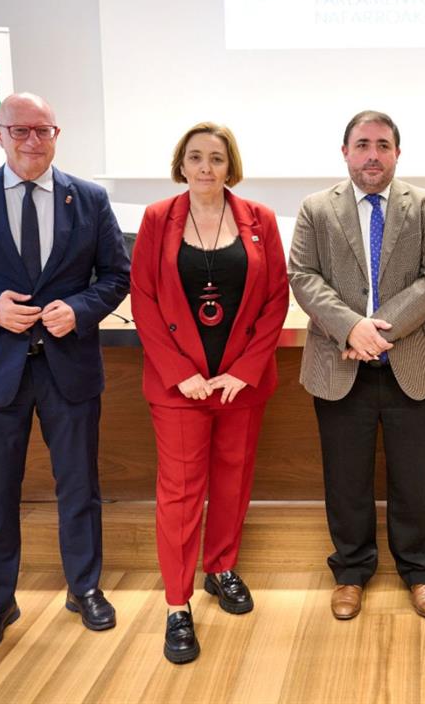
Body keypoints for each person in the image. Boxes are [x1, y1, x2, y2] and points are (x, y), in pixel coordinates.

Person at [0, 92, 131, 655]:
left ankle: (84, 587)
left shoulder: (88, 198)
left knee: (80, 488)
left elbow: (116, 274)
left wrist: (81, 310)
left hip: (69, 368)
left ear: (56, 134)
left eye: (43, 129)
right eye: (21, 130)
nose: (33, 140)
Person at [288, 110, 425, 621]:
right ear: (345, 152)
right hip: (339, 365)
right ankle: (351, 572)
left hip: (414, 362)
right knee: (345, 479)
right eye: (362, 144)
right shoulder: (316, 209)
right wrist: (351, 328)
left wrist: (376, 329)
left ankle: (420, 572)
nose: (372, 154)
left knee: (417, 476)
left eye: (383, 145)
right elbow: (303, 275)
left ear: (397, 153)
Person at [129, 122, 289, 664]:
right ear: (181, 164)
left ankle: (220, 567)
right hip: (182, 387)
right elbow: (144, 300)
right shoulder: (157, 219)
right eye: (195, 157)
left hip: (239, 383)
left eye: (216, 158)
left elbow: (275, 298)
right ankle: (177, 604)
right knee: (179, 491)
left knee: (233, 478)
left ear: (230, 165)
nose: (205, 167)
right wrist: (181, 374)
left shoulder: (260, 220)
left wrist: (243, 369)